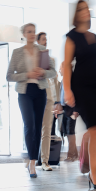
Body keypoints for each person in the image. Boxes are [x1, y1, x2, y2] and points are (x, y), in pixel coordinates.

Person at [63, 0, 96, 189]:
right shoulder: (72, 37)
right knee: (93, 127)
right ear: (76, 13)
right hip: (81, 86)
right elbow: (66, 64)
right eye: (81, 9)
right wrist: (67, 90)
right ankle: (91, 172)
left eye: (87, 9)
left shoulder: (95, 37)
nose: (85, 11)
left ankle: (94, 174)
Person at [7, 23, 56, 178]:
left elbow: (53, 72)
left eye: (33, 32)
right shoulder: (17, 53)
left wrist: (43, 72)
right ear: (23, 34)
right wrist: (27, 75)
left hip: (40, 91)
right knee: (29, 125)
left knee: (37, 127)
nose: (32, 34)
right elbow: (9, 76)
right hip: (24, 92)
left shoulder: (42, 51)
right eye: (29, 32)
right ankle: (32, 161)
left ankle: (33, 162)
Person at [37, 32, 57, 171]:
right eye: (43, 40)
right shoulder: (32, 59)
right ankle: (33, 159)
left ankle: (45, 161)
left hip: (49, 98)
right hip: (36, 96)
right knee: (34, 129)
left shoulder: (51, 60)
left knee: (47, 130)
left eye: (46, 40)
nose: (45, 42)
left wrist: (57, 101)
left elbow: (54, 80)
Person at [58, 62, 79, 161]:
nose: (59, 70)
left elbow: (77, 95)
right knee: (66, 132)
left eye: (60, 68)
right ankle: (74, 153)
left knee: (70, 132)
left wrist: (76, 110)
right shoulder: (63, 80)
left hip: (71, 109)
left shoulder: (73, 80)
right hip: (65, 109)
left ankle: (71, 155)